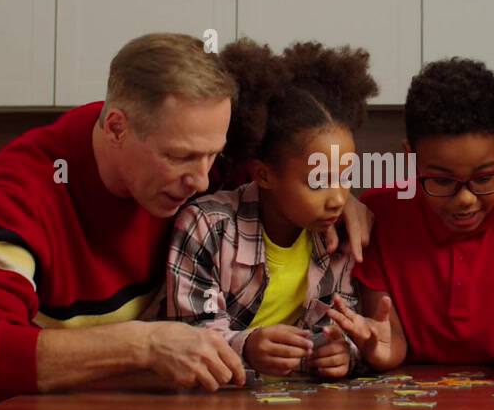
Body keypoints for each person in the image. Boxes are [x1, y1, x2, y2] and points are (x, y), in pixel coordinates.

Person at [0, 33, 374, 410]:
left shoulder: (199, 159)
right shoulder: (26, 187)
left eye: (214, 156)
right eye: (180, 158)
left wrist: (342, 201)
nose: (202, 179)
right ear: (117, 127)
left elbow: (282, 177)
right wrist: (143, 343)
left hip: (106, 401)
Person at [329, 57, 494, 372]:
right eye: (442, 181)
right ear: (411, 158)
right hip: (406, 405)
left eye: (484, 178)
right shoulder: (380, 212)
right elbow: (390, 334)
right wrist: (380, 348)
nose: (466, 200)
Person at [162, 39, 379, 379]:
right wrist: (247, 347)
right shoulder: (208, 226)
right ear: (263, 174)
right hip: (215, 408)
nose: (339, 198)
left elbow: (341, 325)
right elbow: (190, 335)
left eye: (346, 177)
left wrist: (342, 353)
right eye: (319, 182)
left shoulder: (338, 236)